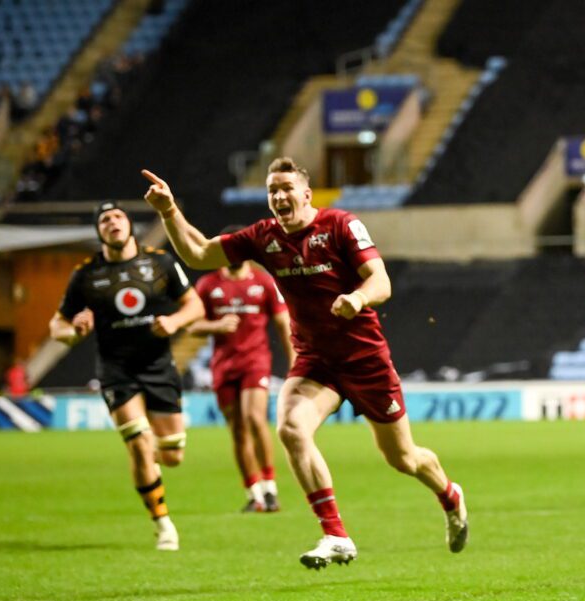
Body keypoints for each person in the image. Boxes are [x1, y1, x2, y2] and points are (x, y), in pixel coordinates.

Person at [141, 157, 468, 569]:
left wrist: (357, 298)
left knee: (402, 458)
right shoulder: (264, 236)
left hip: (364, 358)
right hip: (316, 361)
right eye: (271, 190)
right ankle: (335, 534)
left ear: (306, 194)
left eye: (286, 188)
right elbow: (199, 254)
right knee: (292, 429)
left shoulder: (340, 225)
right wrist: (169, 211)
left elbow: (380, 280)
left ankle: (450, 496)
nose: (278, 197)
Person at [49, 201, 205, 550]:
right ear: (99, 231)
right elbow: (56, 325)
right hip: (116, 370)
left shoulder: (160, 262)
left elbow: (195, 305)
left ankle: (153, 467)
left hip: (158, 366)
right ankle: (163, 523)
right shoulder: (85, 275)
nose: (112, 222)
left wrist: (175, 322)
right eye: (104, 219)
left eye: (118, 216)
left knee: (172, 455)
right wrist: (73, 331)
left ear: (129, 224)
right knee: (137, 442)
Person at [190, 240, 295, 513]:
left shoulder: (263, 282)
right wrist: (216, 325)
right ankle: (254, 493)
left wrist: (294, 360)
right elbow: (192, 325)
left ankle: (271, 488)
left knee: (254, 418)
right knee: (237, 430)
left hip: (255, 362)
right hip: (223, 366)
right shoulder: (208, 285)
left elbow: (283, 323)